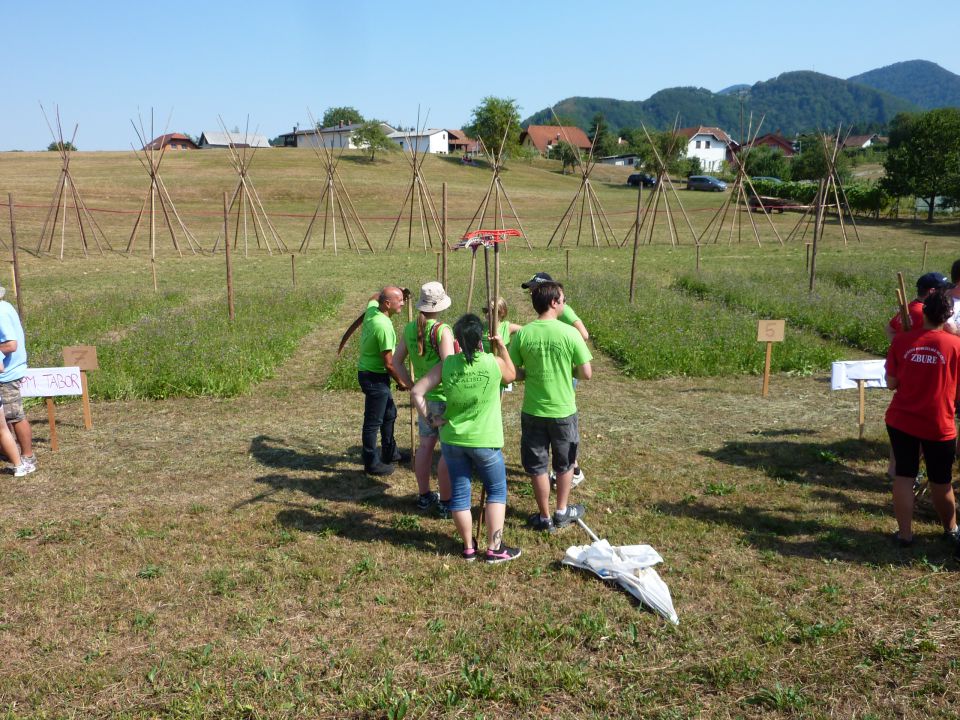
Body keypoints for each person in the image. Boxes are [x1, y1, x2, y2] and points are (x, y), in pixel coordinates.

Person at [411, 314, 520, 563]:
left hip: (452, 440)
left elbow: (417, 391)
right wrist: (502, 346)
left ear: (458, 341)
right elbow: (512, 375)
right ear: (480, 338)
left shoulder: (447, 364)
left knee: (460, 494)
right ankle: (494, 548)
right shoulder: (492, 362)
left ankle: (469, 547)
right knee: (496, 490)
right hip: (484, 440)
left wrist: (431, 419)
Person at [510, 281, 593, 532]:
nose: (564, 304)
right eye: (563, 300)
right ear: (554, 302)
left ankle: (544, 517)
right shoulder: (570, 334)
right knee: (564, 462)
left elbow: (511, 371)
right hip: (563, 410)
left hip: (533, 410)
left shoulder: (524, 333)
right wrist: (567, 369)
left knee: (537, 466)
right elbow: (586, 373)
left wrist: (531, 373)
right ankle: (561, 511)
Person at [884, 288, 960, 547]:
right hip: (938, 422)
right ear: (948, 316)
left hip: (902, 419)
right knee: (941, 480)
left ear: (923, 312)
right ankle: (950, 530)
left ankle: (905, 534)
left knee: (905, 475)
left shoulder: (902, 341)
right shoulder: (956, 345)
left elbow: (891, 383)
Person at [521, 272, 589, 486]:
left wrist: (564, 347)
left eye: (533, 288)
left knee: (559, 427)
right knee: (559, 431)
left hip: (560, 373)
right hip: (550, 376)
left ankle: (573, 469)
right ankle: (569, 468)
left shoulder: (564, 310)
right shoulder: (540, 319)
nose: (531, 292)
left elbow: (583, 334)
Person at [394, 282, 454, 511]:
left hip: (423, 398)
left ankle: (424, 495)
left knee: (425, 447)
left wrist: (411, 385)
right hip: (443, 396)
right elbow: (448, 365)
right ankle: (447, 502)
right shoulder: (442, 330)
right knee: (448, 451)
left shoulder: (410, 328)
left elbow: (396, 361)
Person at [357, 286, 411, 476]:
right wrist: (402, 382)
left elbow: (374, 295)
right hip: (374, 376)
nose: (403, 303)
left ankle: (390, 453)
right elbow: (389, 364)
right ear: (387, 303)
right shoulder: (383, 326)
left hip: (371, 374)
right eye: (400, 300)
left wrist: (398, 289)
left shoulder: (373, 309)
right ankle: (371, 463)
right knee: (373, 421)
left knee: (389, 414)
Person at [0, 286, 35, 475]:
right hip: (9, 370)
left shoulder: (1, 312)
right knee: (6, 417)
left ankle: (27, 456)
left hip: (7, 373)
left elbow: (11, 345)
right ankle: (10, 451)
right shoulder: (5, 306)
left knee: (14, 416)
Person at [886, 272, 949, 341]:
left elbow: (890, 329)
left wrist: (900, 346)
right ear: (932, 291)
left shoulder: (910, 307)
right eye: (944, 290)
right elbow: (949, 331)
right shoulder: (926, 313)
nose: (946, 293)